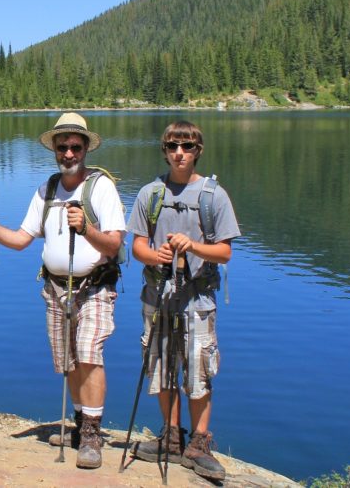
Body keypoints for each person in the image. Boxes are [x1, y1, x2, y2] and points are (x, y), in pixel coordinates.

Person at [0, 112, 125, 469]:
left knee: (89, 353)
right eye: (62, 147)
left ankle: (91, 432)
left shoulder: (100, 186)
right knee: (68, 360)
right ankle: (77, 422)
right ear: (55, 150)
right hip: (55, 289)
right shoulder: (48, 189)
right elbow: (22, 239)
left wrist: (86, 229)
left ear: (86, 148)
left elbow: (115, 244)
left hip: (93, 287)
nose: (68, 153)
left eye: (75, 147)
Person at [125, 120, 240, 482]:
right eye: (173, 146)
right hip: (157, 295)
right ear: (164, 150)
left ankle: (199, 444)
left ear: (198, 151)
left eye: (187, 147)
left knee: (198, 368)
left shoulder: (213, 196)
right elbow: (137, 246)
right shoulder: (150, 193)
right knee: (161, 365)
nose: (180, 153)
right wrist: (155, 256)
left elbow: (224, 252)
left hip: (198, 298)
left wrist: (192, 247)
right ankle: (171, 437)